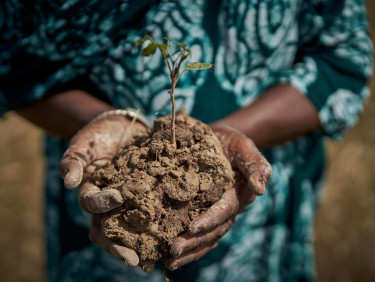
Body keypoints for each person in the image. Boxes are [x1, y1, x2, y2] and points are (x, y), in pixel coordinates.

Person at [0, 0, 372, 281]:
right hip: (100, 182)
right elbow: (13, 63)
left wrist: (216, 143)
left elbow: (340, 60)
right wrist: (107, 122)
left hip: (262, 223)